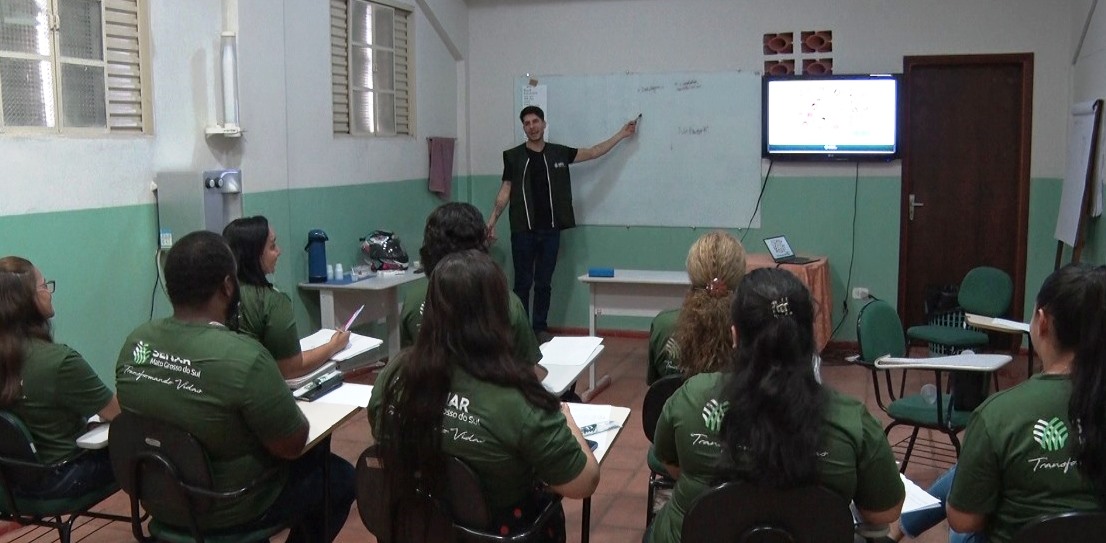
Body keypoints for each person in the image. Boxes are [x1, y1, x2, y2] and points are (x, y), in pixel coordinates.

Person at [114, 231, 354, 541]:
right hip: (232, 507)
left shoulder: (137, 341)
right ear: (228, 286)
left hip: (160, 500)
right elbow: (292, 444)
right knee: (338, 478)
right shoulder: (246, 358)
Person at [647, 268, 904, 543]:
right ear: (809, 338)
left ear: (735, 336)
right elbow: (884, 512)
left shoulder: (691, 398)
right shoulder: (852, 422)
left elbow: (670, 464)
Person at [369, 250, 599, 541]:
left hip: (417, 527)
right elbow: (583, 482)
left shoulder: (393, 375)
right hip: (494, 532)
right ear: (499, 314)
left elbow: (381, 433)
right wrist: (566, 419)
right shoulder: (518, 398)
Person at [895, 264, 1105, 543]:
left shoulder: (999, 415)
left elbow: (963, 519)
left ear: (1042, 322)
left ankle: (899, 527)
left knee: (966, 514)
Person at [487, 105, 638, 343]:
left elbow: (593, 152)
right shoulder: (513, 157)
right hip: (523, 230)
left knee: (544, 283)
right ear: (523, 128)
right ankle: (521, 330)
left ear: (544, 124)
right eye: (527, 123)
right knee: (522, 284)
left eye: (536, 121)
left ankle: (539, 328)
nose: (532, 126)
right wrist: (492, 221)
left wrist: (621, 134)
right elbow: (506, 189)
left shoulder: (558, 153)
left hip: (550, 230)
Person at [0, 256, 120, 498]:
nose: (49, 292)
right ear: (26, 301)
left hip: (9, 484)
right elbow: (120, 415)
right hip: (61, 475)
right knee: (146, 450)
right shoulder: (59, 362)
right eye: (44, 286)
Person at [401, 202, 541, 368]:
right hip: (493, 390)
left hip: (432, 391)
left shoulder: (413, 301)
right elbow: (528, 369)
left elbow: (409, 362)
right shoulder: (507, 303)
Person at [223, 216, 350, 379]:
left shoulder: (219, 296)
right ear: (254, 255)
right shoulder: (272, 302)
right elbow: (291, 368)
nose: (279, 251)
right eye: (272, 246)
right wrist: (334, 346)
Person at [647, 231, 746, 385]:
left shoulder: (663, 326)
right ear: (740, 274)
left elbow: (657, 390)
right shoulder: (754, 330)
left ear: (692, 272)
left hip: (675, 408)